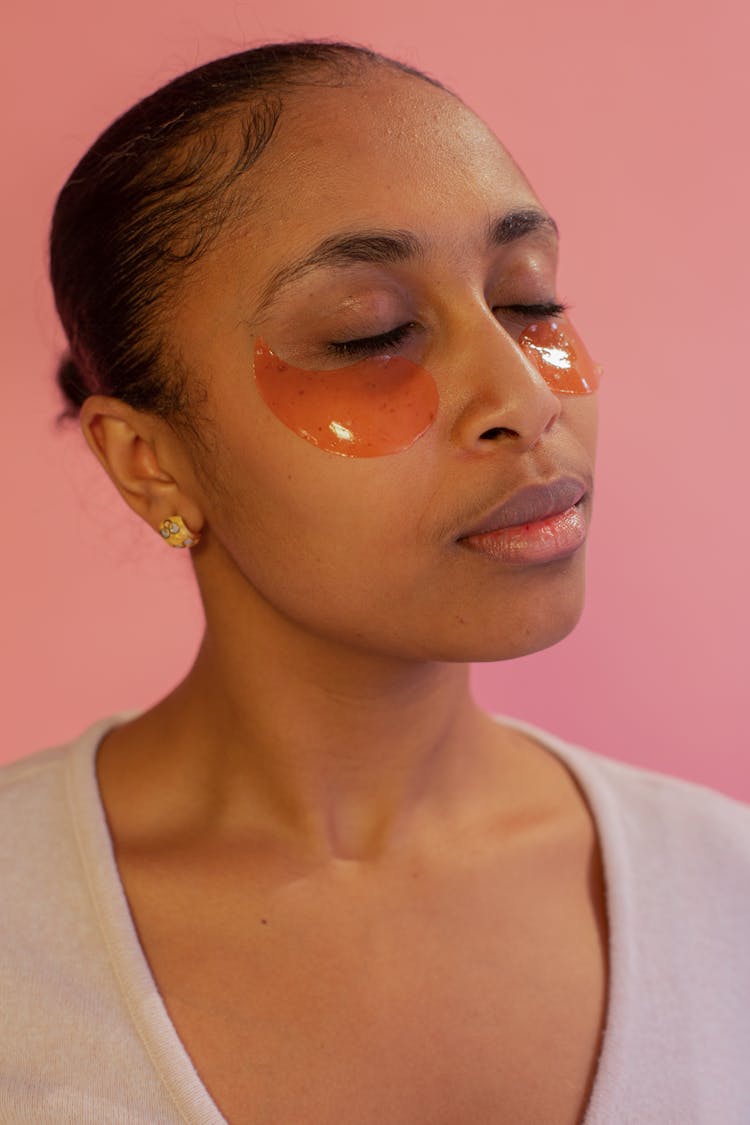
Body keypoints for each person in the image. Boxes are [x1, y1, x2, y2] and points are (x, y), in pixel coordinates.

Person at [2, 40, 748, 1125]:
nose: (525, 398)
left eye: (527, 300)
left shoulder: (728, 895)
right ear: (148, 460)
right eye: (374, 333)